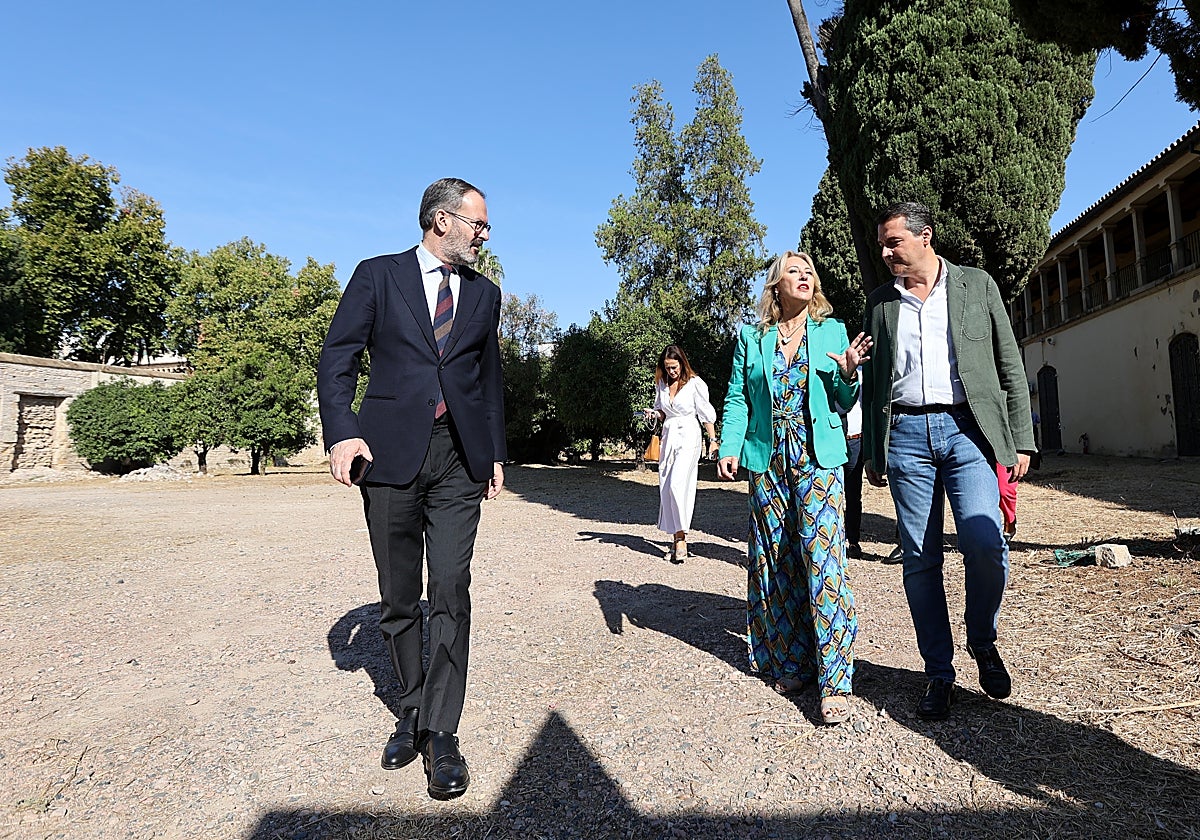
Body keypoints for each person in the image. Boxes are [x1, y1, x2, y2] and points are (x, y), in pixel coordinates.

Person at [316, 177, 506, 800]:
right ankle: (410, 710)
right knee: (399, 596)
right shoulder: (378, 276)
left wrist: (495, 453)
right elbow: (337, 358)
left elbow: (489, 379)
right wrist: (342, 433)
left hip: (458, 460)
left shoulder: (486, 296)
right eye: (477, 223)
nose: (485, 233)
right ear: (441, 221)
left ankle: (443, 733)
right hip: (390, 457)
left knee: (450, 588)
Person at [861, 201, 1035, 721]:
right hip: (907, 435)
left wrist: (1020, 439)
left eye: (894, 242)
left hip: (968, 431)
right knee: (920, 558)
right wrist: (874, 448)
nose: (887, 252)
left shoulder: (976, 285)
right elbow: (873, 382)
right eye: (883, 246)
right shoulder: (879, 302)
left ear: (925, 237)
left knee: (985, 544)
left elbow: (1008, 361)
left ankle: (982, 638)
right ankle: (939, 672)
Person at [717, 251, 872, 725]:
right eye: (794, 271)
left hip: (817, 460)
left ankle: (835, 679)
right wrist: (730, 444)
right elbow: (740, 394)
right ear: (775, 286)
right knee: (776, 560)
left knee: (824, 563)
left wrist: (848, 371)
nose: (804, 276)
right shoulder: (752, 336)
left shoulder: (832, 331)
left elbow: (846, 399)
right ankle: (791, 660)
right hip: (767, 461)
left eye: (809, 272)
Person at [644, 345, 718, 563]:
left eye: (674, 367)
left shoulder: (695, 384)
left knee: (678, 484)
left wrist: (713, 441)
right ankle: (676, 537)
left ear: (682, 363)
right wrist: (653, 413)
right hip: (669, 436)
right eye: (667, 368)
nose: (671, 372)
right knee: (666, 486)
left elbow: (706, 414)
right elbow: (662, 410)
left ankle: (682, 539)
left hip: (689, 436)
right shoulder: (662, 384)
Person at [840, 388, 865, 559]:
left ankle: (853, 541)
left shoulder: (866, 371)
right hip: (834, 438)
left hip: (856, 439)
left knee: (853, 494)